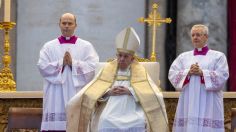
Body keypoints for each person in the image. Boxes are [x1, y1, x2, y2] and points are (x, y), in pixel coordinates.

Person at [66, 27, 169, 132]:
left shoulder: (140, 71)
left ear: (132, 58)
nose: (122, 59)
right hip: (111, 109)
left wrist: (131, 91)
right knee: (105, 120)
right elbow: (93, 90)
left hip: (133, 109)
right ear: (116, 55)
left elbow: (153, 93)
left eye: (126, 56)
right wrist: (108, 92)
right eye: (120, 55)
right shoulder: (107, 69)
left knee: (139, 121)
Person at [37, 13, 99, 131]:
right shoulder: (49, 46)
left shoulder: (86, 46)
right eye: (64, 23)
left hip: (77, 92)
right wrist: (61, 63)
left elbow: (93, 67)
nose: (66, 26)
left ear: (75, 25)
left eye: (70, 23)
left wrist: (73, 64)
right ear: (59, 25)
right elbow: (42, 66)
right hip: (55, 92)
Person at [168, 24, 229, 132]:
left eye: (198, 35)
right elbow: (172, 74)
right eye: (193, 35)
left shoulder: (218, 56)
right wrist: (188, 72)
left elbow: (222, 75)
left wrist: (202, 73)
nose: (195, 37)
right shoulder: (183, 57)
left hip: (209, 100)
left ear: (206, 37)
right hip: (188, 100)